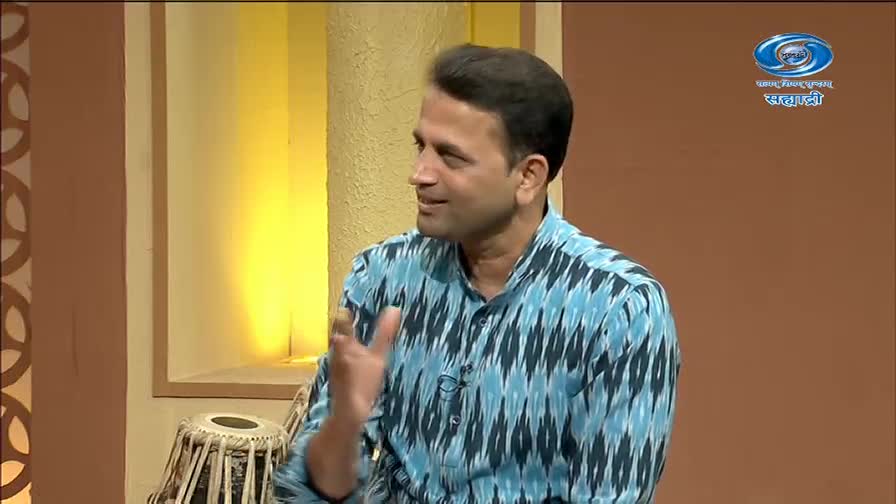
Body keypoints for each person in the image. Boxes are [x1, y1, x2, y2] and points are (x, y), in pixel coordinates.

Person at [274, 44, 681, 503]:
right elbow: (316, 494)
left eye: (450, 157)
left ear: (527, 177)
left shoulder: (619, 308)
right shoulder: (382, 276)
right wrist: (344, 425)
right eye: (420, 146)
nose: (419, 174)